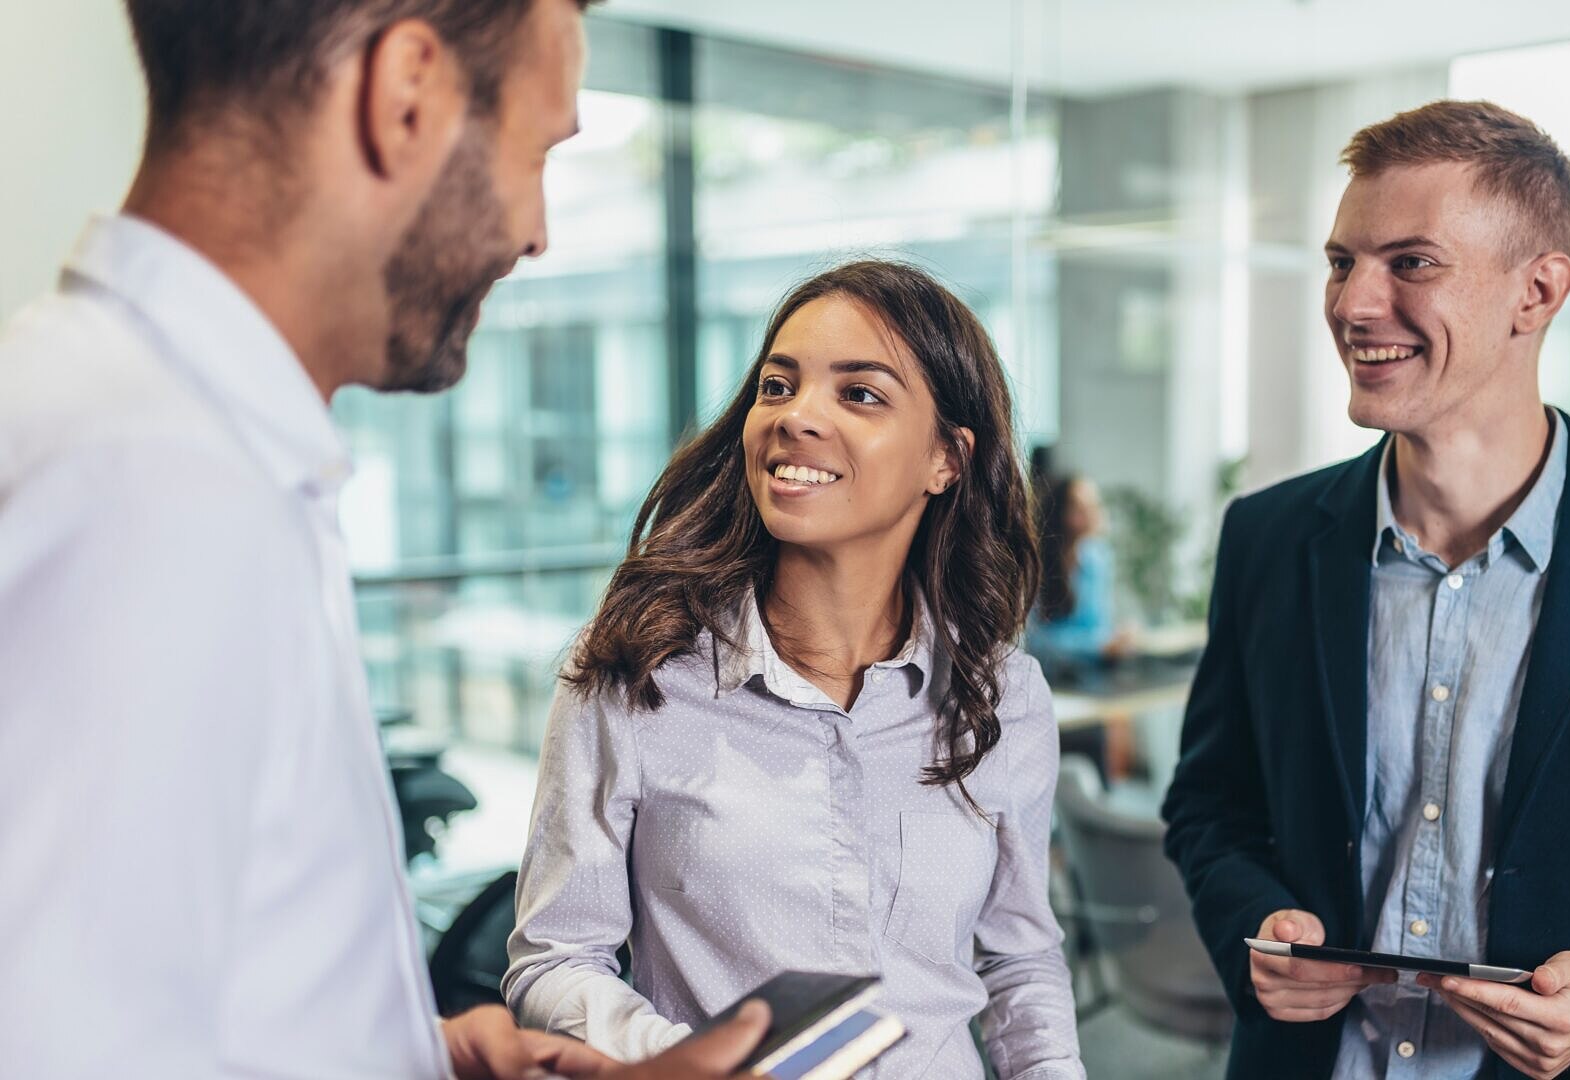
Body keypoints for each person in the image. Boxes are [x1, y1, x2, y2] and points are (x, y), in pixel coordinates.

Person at [0, 1, 772, 1076]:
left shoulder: (168, 443)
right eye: (537, 151)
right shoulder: (153, 492)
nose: (534, 231)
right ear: (406, 94)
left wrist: (410, 1052)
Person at [1160, 100, 1570, 1080]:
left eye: (1411, 263)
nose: (1353, 303)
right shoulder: (1266, 539)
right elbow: (1211, 807)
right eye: (1342, 261)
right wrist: (1255, 929)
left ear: (1538, 291)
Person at [503, 261, 1085, 1080]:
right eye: (778, 386)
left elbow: (1021, 965)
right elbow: (555, 958)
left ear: (946, 460)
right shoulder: (633, 670)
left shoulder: (1004, 696)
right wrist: (693, 1064)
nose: (796, 418)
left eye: (860, 394)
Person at [1030, 469, 1134, 668]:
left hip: (1095, 674)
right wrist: (1097, 646)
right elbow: (1037, 643)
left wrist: (1118, 638)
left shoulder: (1098, 557)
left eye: (1094, 504)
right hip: (1054, 677)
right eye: (1080, 507)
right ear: (1060, 514)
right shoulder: (1036, 564)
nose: (1092, 512)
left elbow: (1100, 626)